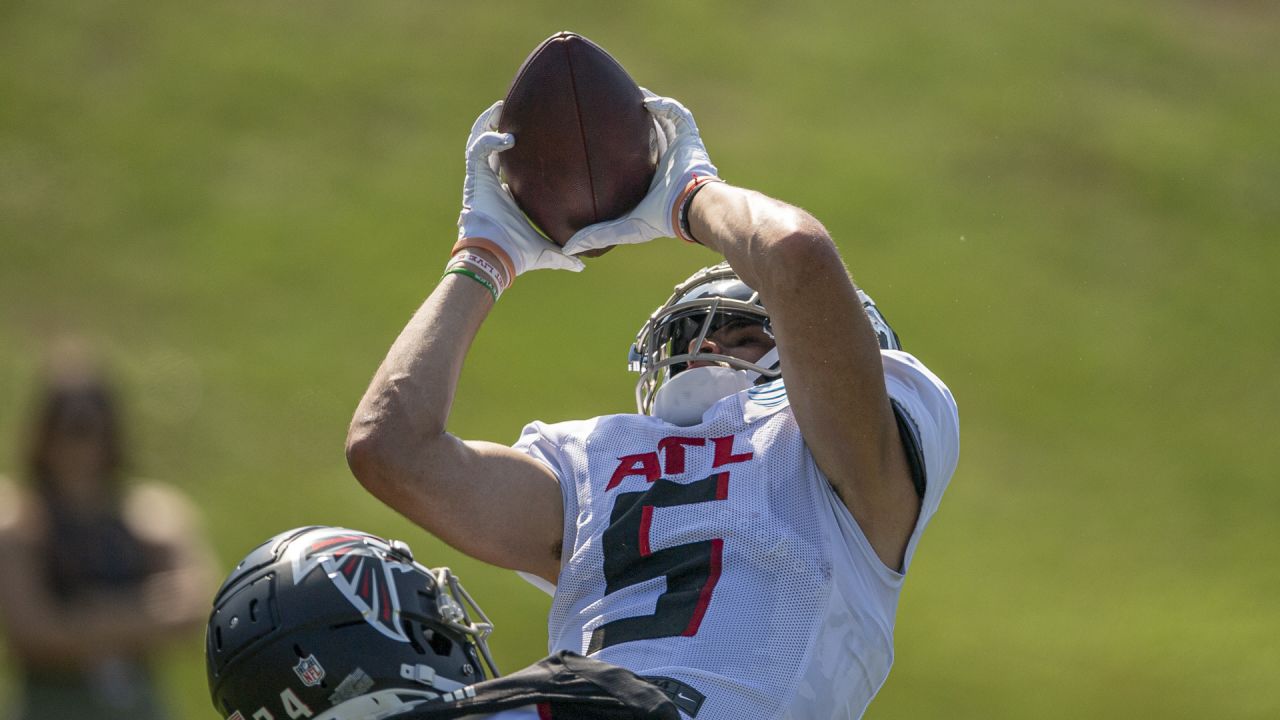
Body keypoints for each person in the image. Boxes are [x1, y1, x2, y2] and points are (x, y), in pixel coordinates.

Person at [341, 92, 960, 720]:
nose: (711, 346)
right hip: (572, 702)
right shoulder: (593, 458)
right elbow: (391, 449)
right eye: (690, 338)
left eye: (744, 333)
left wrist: (689, 195)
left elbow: (795, 255)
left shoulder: (855, 470)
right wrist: (484, 257)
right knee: (315, 602)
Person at [0, 343, 217, 720]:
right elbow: (32, 630)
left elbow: (196, 606)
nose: (83, 444)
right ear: (44, 432)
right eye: (71, 427)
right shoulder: (21, 518)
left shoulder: (147, 512)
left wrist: (85, 614)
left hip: (138, 707)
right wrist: (141, 612)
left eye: (92, 426)